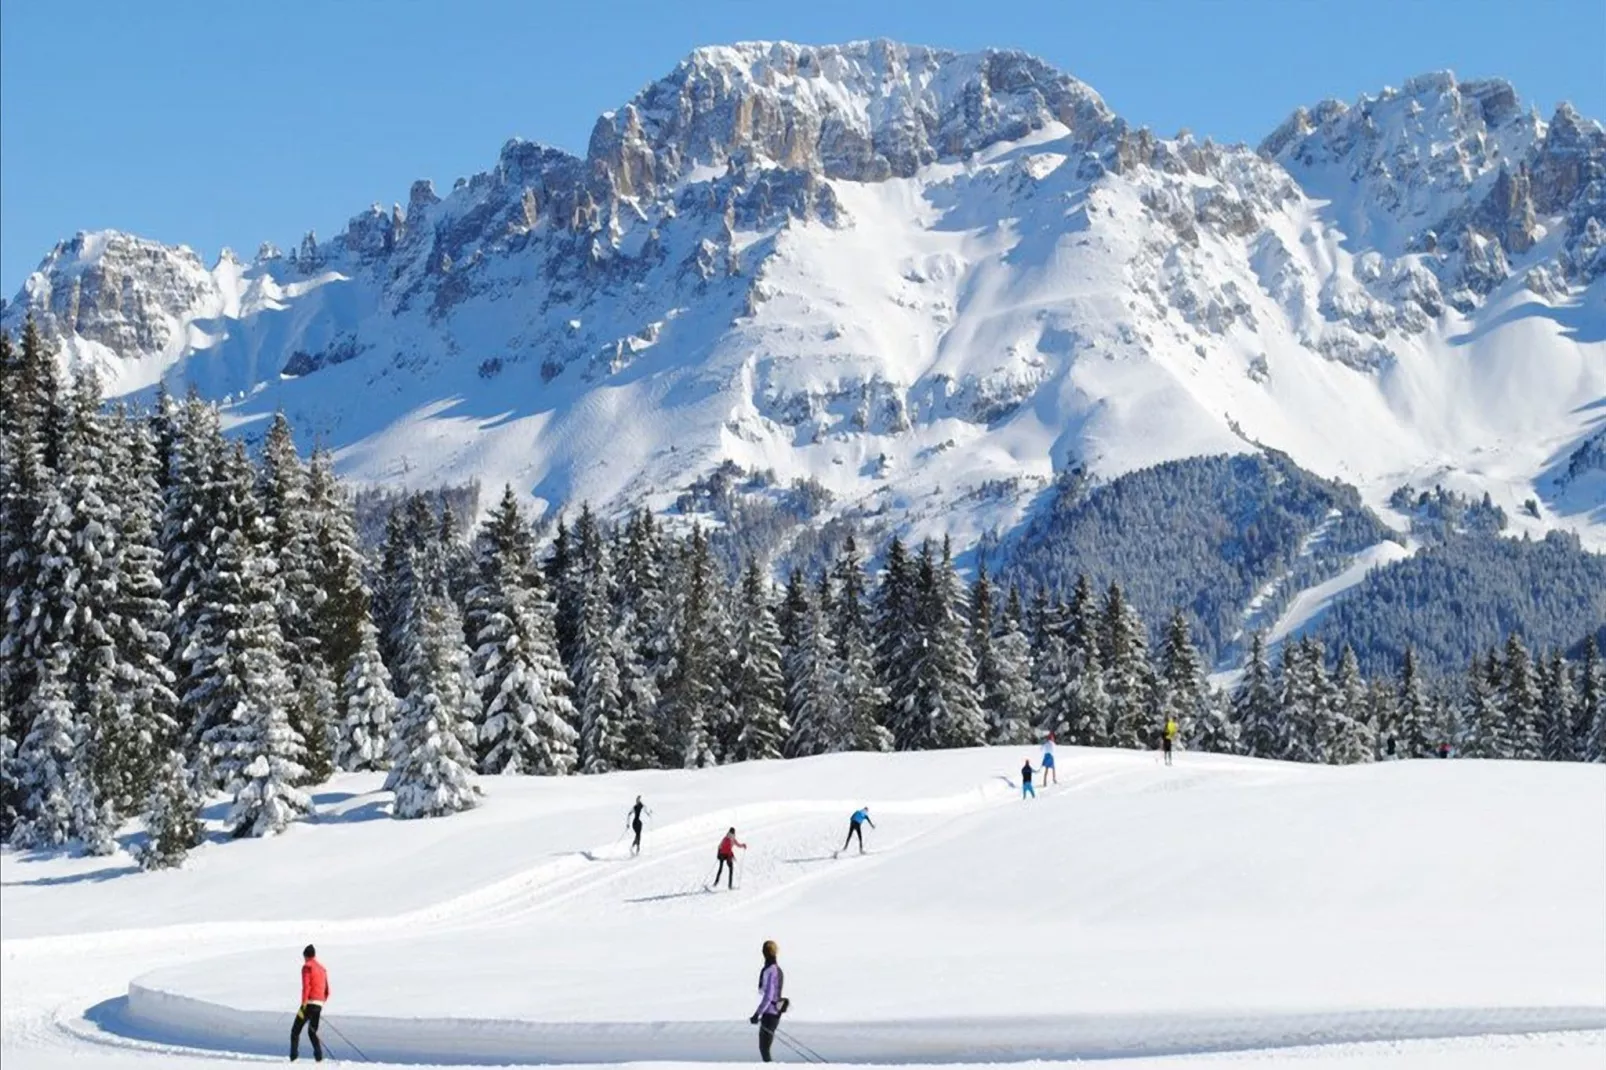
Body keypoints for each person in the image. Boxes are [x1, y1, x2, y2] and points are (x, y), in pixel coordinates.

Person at [749, 939, 789, 1062]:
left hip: (770, 1013)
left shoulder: (771, 970)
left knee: (764, 1048)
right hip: (773, 1013)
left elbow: (768, 996)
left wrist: (757, 1013)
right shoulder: (775, 969)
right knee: (764, 1048)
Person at [290, 944, 328, 1062]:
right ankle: (319, 1057)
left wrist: (304, 1003)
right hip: (319, 1004)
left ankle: (293, 1058)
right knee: (312, 1031)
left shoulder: (307, 967)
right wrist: (320, 1002)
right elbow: (327, 990)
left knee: (295, 1031)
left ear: (306, 956)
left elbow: (306, 986)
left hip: (308, 1004)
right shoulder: (322, 969)